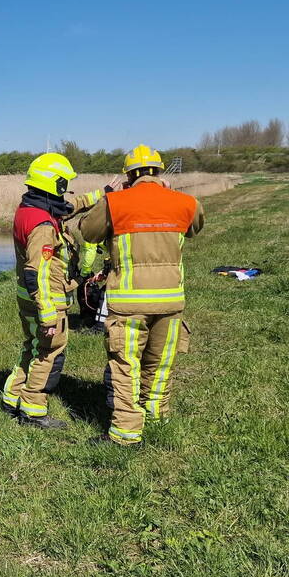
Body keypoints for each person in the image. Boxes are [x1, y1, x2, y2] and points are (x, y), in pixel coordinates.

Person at [81, 145, 205, 446]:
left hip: (129, 303)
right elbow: (195, 227)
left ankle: (125, 431)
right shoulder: (186, 202)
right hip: (171, 300)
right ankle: (156, 418)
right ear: (160, 172)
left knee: (126, 366)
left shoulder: (115, 202)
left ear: (129, 175)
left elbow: (87, 232)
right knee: (160, 364)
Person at [0, 153, 108, 429]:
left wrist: (104, 194)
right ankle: (34, 411)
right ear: (55, 184)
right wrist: (49, 315)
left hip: (27, 298)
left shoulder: (32, 208)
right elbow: (39, 274)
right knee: (50, 352)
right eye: (64, 183)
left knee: (33, 347)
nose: (67, 189)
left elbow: (71, 206)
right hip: (45, 301)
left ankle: (12, 397)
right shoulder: (43, 226)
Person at [64, 215, 104, 332]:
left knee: (106, 293)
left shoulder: (89, 233)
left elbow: (89, 254)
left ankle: (99, 326)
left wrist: (83, 274)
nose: (82, 232)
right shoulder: (100, 228)